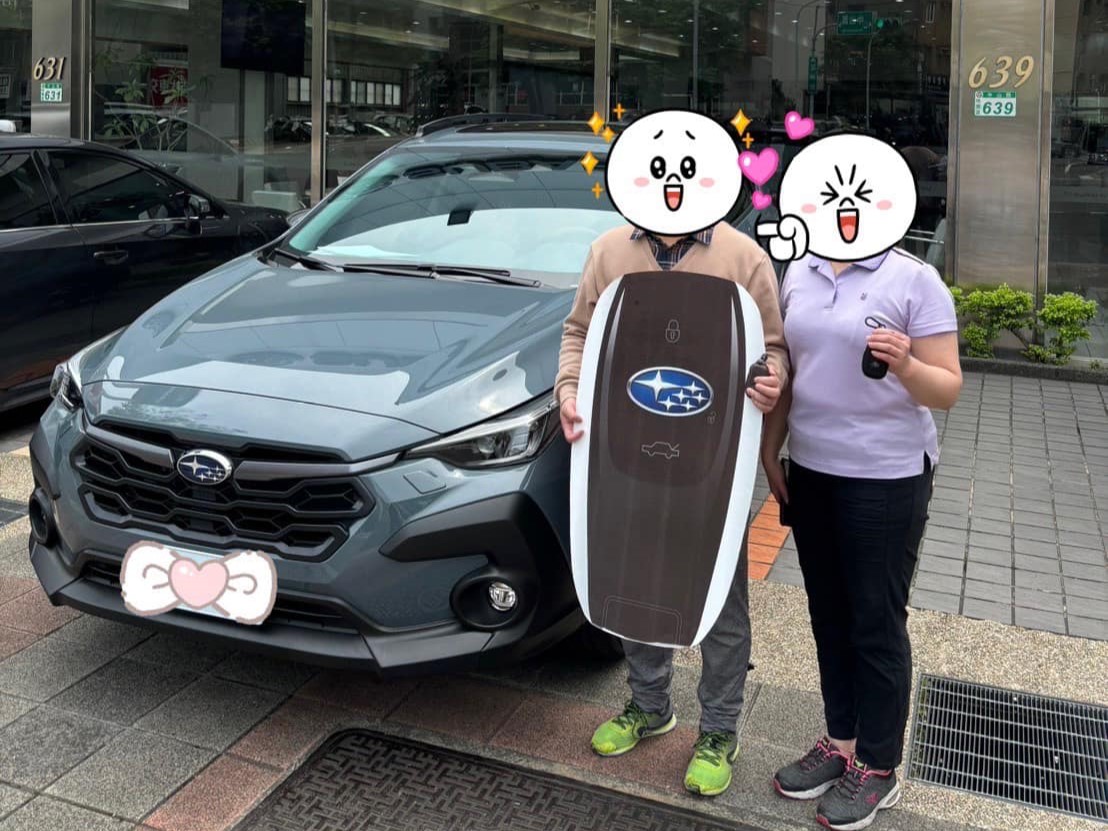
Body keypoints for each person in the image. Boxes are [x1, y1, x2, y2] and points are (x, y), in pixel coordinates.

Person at [554, 108, 790, 797]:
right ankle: (650, 705)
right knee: (636, 572)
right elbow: (579, 332)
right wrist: (568, 390)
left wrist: (771, 378)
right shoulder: (608, 251)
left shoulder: (743, 257)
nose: (674, 184)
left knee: (717, 592)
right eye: (659, 170)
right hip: (624, 448)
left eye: (687, 170)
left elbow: (773, 346)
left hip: (711, 456)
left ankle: (720, 727)